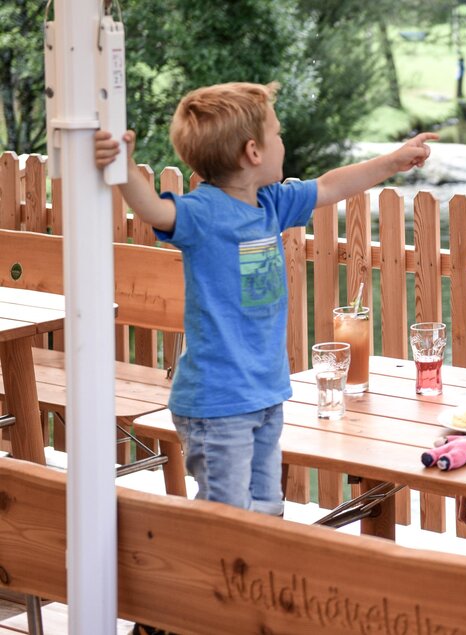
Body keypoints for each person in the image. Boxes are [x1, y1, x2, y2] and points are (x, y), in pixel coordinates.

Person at [93, 82, 437, 516]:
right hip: (217, 403)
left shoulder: (271, 203)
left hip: (265, 394)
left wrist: (394, 160)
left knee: (268, 509)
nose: (283, 142)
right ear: (253, 152)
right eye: (276, 134)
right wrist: (123, 169)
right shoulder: (203, 213)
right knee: (229, 517)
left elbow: (331, 186)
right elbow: (156, 211)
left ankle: (251, 581)